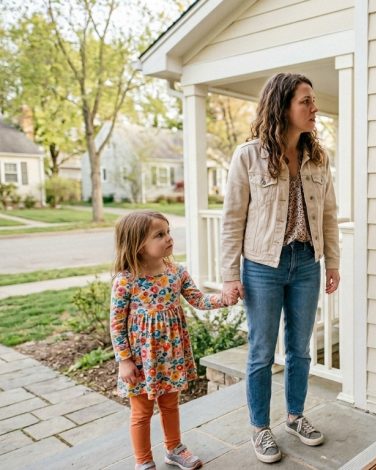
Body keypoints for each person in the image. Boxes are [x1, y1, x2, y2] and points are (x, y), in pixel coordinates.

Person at [220, 72, 340, 464]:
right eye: (305, 101)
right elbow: (233, 218)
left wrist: (333, 263)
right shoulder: (248, 155)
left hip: (306, 262)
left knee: (300, 349)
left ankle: (295, 417)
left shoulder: (318, 158)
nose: (313, 108)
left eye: (313, 100)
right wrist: (229, 275)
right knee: (260, 351)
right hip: (262, 266)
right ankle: (260, 428)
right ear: (283, 106)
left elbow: (329, 216)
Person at [110, 210, 236, 470]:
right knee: (141, 412)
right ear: (138, 245)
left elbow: (198, 300)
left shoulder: (176, 272)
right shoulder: (126, 280)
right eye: (160, 235)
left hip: (170, 356)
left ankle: (174, 448)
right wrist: (124, 360)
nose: (169, 238)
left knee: (170, 405)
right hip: (142, 360)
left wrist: (224, 299)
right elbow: (116, 324)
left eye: (168, 232)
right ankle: (143, 460)